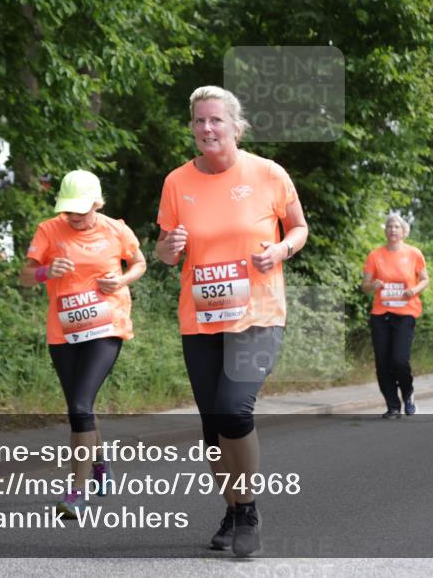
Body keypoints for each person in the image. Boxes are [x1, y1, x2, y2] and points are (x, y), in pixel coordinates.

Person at [155, 86, 308, 557]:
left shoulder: (268, 173)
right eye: (199, 121)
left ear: (236, 127)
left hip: (258, 314)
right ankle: (233, 508)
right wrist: (168, 248)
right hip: (201, 319)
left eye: (216, 120)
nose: (207, 128)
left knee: (234, 409)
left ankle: (248, 510)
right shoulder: (177, 182)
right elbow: (164, 252)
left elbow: (298, 228)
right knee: (211, 425)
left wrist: (280, 249)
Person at [18, 170, 146, 517]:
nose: (73, 216)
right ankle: (100, 461)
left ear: (97, 203)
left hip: (106, 325)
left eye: (80, 210)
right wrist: (46, 272)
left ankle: (76, 492)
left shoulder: (116, 229)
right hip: (64, 331)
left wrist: (121, 280)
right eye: (68, 210)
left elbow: (139, 263)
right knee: (81, 406)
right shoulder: (49, 230)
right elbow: (25, 276)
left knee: (79, 407)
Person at [362, 214, 430, 418]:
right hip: (381, 314)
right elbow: (364, 286)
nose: (393, 230)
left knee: (399, 360)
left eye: (397, 227)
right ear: (385, 231)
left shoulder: (414, 254)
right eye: (390, 226)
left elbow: (425, 279)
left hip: (405, 313)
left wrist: (414, 290)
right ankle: (393, 406)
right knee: (382, 363)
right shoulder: (375, 256)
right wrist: (373, 285)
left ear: (404, 231)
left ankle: (408, 392)